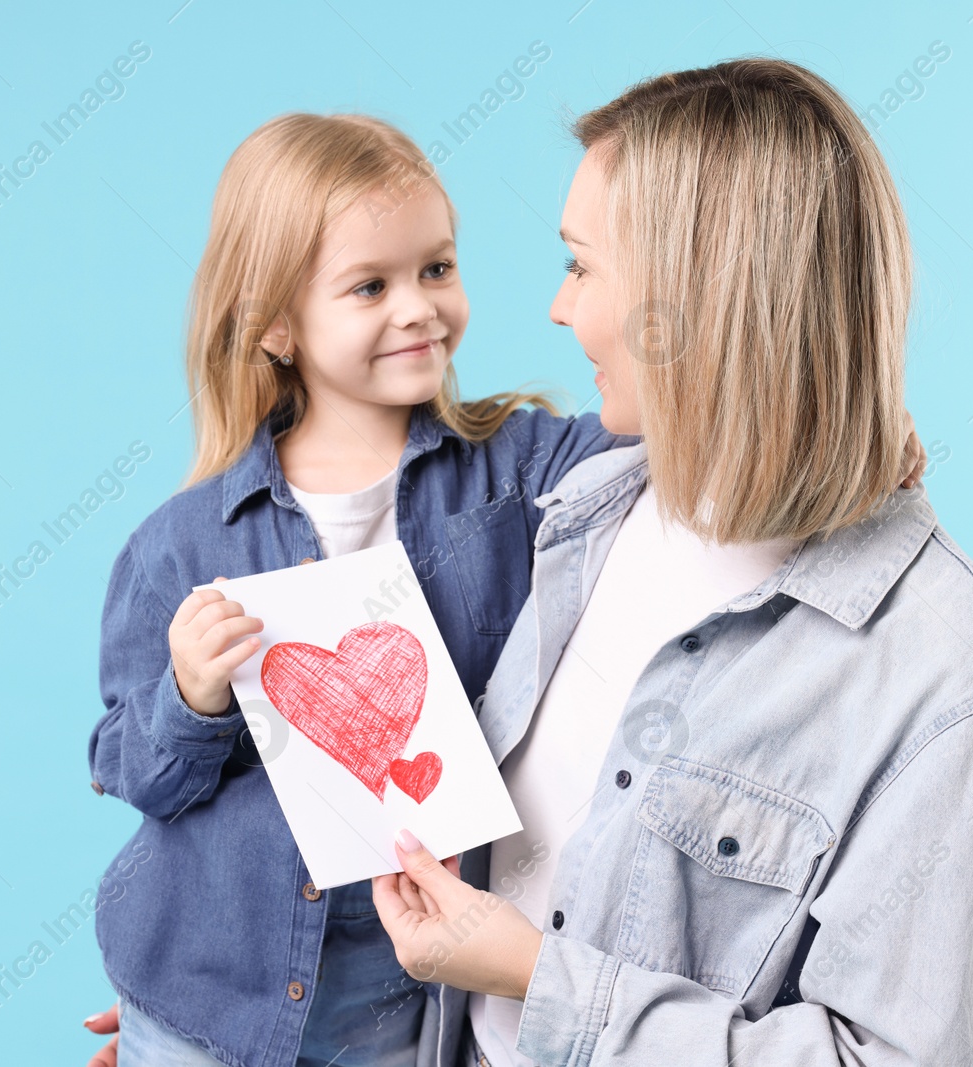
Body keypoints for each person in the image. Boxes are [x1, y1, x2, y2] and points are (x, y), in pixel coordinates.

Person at [371, 58, 973, 1067]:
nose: (560, 311)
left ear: (692, 299)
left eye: (582, 265)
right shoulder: (579, 517)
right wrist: (221, 1010)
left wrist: (543, 982)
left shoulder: (949, 671)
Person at [81, 110, 630, 1067]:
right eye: (370, 285)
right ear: (278, 326)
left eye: (437, 268)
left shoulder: (519, 469)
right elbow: (129, 770)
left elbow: (678, 440)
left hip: (392, 1001)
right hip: (202, 994)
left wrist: (851, 434)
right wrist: (191, 698)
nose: (418, 307)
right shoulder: (181, 544)